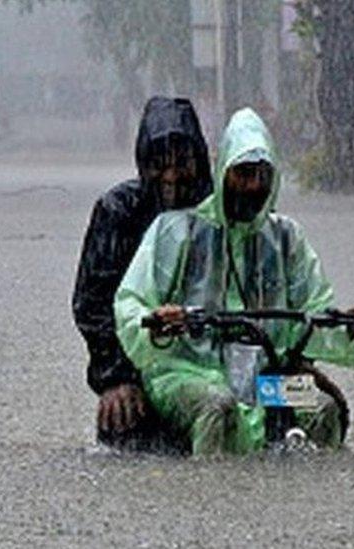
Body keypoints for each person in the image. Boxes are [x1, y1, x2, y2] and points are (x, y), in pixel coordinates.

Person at [114, 108, 354, 455]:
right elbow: (131, 302)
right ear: (224, 171)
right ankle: (210, 497)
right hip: (188, 372)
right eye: (243, 173)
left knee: (323, 409)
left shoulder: (287, 238)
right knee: (217, 407)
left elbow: (313, 310)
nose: (254, 185)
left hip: (267, 379)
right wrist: (157, 323)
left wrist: (349, 326)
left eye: (262, 174)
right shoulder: (176, 231)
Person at [72, 96, 213, 449]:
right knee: (125, 419)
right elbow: (93, 304)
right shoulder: (118, 211)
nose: (171, 176)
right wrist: (116, 376)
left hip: (218, 360)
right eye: (158, 164)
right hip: (139, 364)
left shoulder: (220, 211)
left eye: (182, 163)